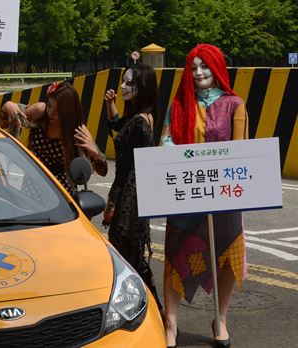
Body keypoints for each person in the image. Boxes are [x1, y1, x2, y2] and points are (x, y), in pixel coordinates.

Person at [160, 44, 248, 348]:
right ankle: (171, 321)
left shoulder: (235, 105)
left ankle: (220, 319)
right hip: (185, 195)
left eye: (205, 66)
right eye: (193, 67)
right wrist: (171, 150)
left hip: (224, 197)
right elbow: (166, 141)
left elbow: (241, 153)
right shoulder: (178, 104)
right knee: (174, 258)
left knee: (227, 259)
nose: (198, 73)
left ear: (217, 68)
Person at [102, 63, 163, 313]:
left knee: (128, 254)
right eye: (124, 82)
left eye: (130, 83)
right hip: (136, 193)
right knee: (130, 254)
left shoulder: (140, 122)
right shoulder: (140, 117)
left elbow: (125, 166)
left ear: (143, 87)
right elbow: (117, 125)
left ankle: (154, 310)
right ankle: (150, 309)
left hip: (130, 196)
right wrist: (110, 103)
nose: (124, 86)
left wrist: (112, 202)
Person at [0, 81, 107, 195]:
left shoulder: (77, 130)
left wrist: (95, 154)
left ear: (68, 111)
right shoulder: (40, 112)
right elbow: (4, 122)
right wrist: (8, 106)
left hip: (62, 188)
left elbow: (103, 172)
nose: (51, 113)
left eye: (58, 110)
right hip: (33, 182)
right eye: (49, 106)